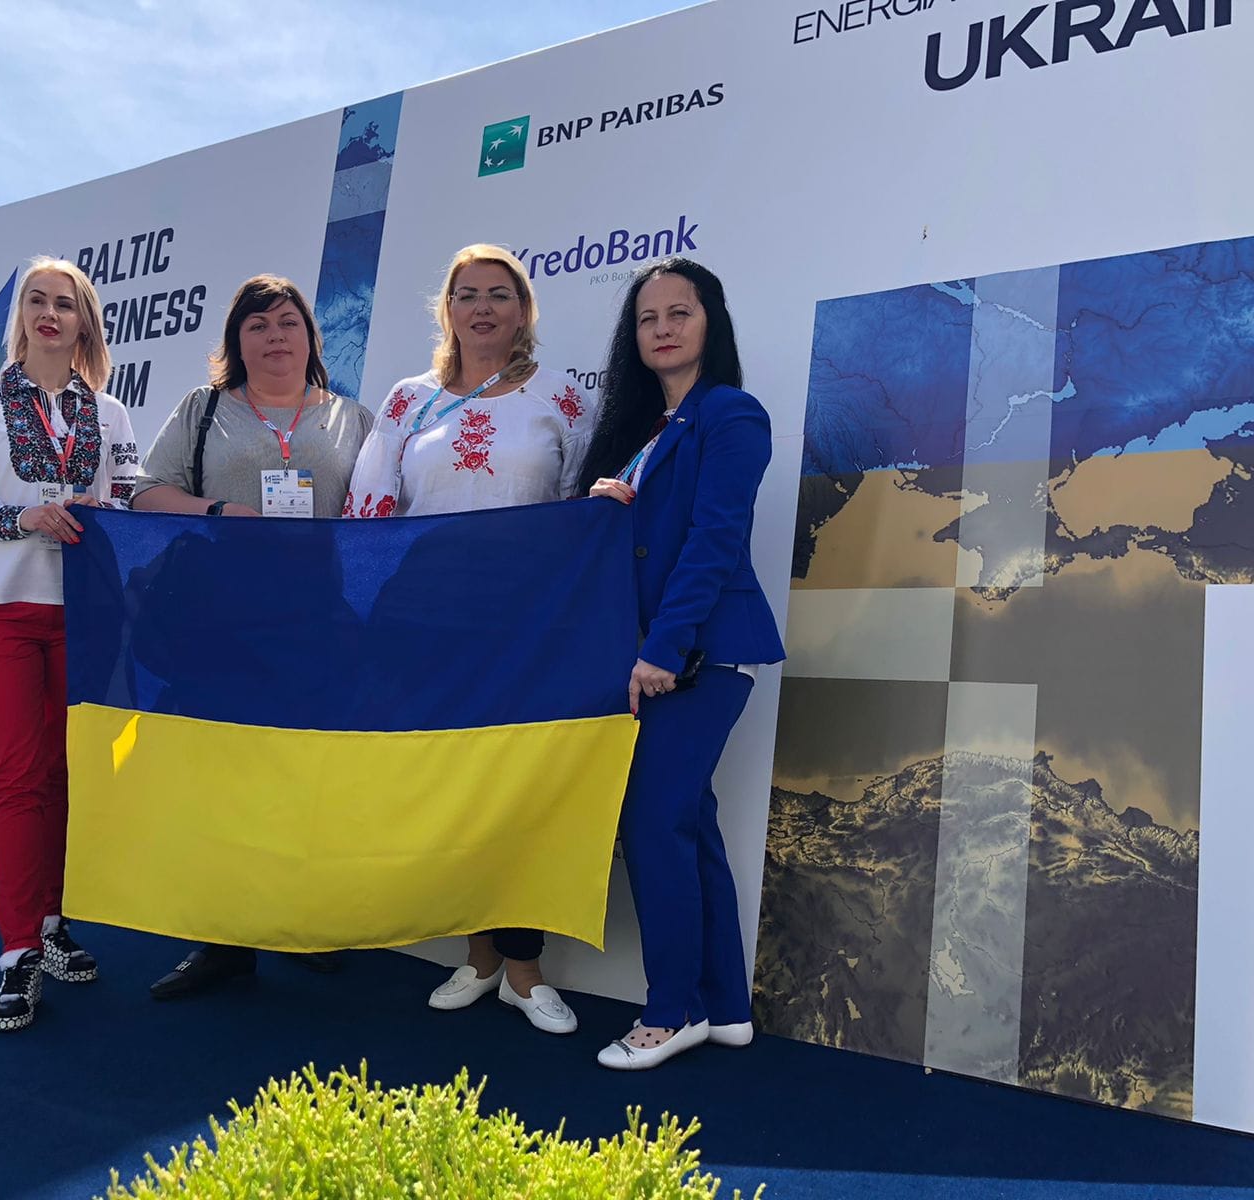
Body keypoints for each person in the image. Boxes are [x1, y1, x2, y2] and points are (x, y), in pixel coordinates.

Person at [344, 243, 596, 1035]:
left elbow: (582, 516)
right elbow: (369, 505)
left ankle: (526, 970)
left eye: (498, 294)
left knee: (520, 787)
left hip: (525, 626)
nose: (482, 308)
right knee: (450, 784)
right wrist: (362, 613)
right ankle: (479, 956)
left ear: (522, 311)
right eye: (467, 294)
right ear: (446, 310)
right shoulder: (407, 401)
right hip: (425, 624)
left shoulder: (563, 398)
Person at [132, 273, 373, 998]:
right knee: (222, 778)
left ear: (310, 335)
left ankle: (297, 923)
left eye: (288, 321)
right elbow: (145, 491)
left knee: (305, 776)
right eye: (258, 324)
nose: (275, 336)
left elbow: (381, 511)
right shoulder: (204, 409)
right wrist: (218, 511)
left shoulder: (354, 418)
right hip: (220, 622)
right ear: (238, 340)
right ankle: (223, 940)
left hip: (317, 622)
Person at [578, 257, 785, 1070]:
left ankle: (674, 1010)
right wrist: (603, 511)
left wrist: (663, 648)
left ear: (710, 322)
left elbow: (714, 539)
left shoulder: (731, 413)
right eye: (647, 318)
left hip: (706, 651)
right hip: (654, 653)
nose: (662, 328)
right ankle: (725, 1006)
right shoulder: (645, 430)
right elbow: (643, 543)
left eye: (679, 313)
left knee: (653, 819)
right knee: (687, 821)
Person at [0, 257, 140, 1032]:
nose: (50, 314)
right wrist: (21, 517)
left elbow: (131, 500)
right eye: (36, 301)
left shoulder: (110, 412)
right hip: (4, 612)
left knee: (66, 777)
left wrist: (106, 512)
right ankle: (18, 951)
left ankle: (53, 923)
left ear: (84, 321)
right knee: (19, 778)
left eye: (65, 303)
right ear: (20, 315)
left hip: (85, 615)